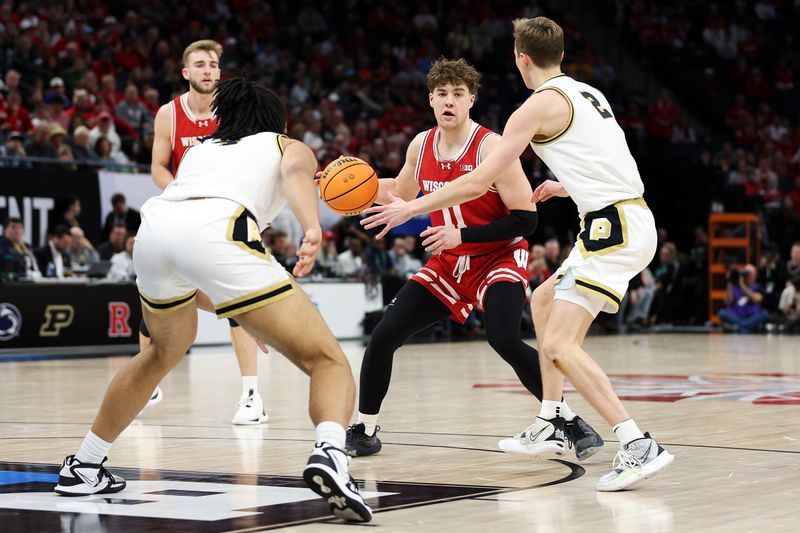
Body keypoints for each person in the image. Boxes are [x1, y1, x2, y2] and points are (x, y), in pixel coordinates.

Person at [361, 17, 673, 491]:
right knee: (542, 302)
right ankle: (550, 417)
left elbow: (473, 182)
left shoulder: (530, 110)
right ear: (560, 54)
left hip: (612, 228)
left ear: (520, 58)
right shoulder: (588, 94)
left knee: (557, 346)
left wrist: (412, 209)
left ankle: (635, 443)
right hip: (620, 216)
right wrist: (569, 186)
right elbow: (617, 164)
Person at [54, 77, 373, 523]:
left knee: (161, 352)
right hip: (219, 231)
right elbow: (298, 175)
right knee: (328, 361)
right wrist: (311, 226)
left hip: (155, 231)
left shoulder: (201, 151)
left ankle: (84, 465)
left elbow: (192, 263)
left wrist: (247, 309)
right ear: (277, 121)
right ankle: (330, 454)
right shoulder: (287, 144)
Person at [345, 58, 602, 462]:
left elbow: (527, 219)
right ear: (431, 100)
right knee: (382, 337)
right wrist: (342, 186)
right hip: (448, 263)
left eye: (458, 94)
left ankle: (564, 417)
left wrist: (460, 234)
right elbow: (400, 189)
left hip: (499, 255)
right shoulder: (420, 145)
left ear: (471, 101)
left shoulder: (492, 146)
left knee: (502, 337)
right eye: (442, 94)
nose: (449, 101)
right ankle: (364, 427)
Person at [148, 40, 265, 423]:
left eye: (214, 65)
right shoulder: (169, 114)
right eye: (200, 65)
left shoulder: (233, 110)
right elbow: (158, 168)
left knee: (237, 299)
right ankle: (148, 384)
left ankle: (251, 395)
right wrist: (180, 193)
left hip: (225, 214)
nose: (209, 71)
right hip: (182, 212)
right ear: (186, 72)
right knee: (152, 297)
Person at [718, 264, 769, 333]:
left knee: (765, 314)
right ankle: (745, 327)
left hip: (751, 316)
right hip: (736, 316)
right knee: (722, 312)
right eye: (747, 274)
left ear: (755, 275)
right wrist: (729, 282)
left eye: (751, 274)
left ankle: (739, 327)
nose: (749, 277)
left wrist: (742, 285)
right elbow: (728, 301)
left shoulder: (758, 287)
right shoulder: (734, 286)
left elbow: (756, 298)